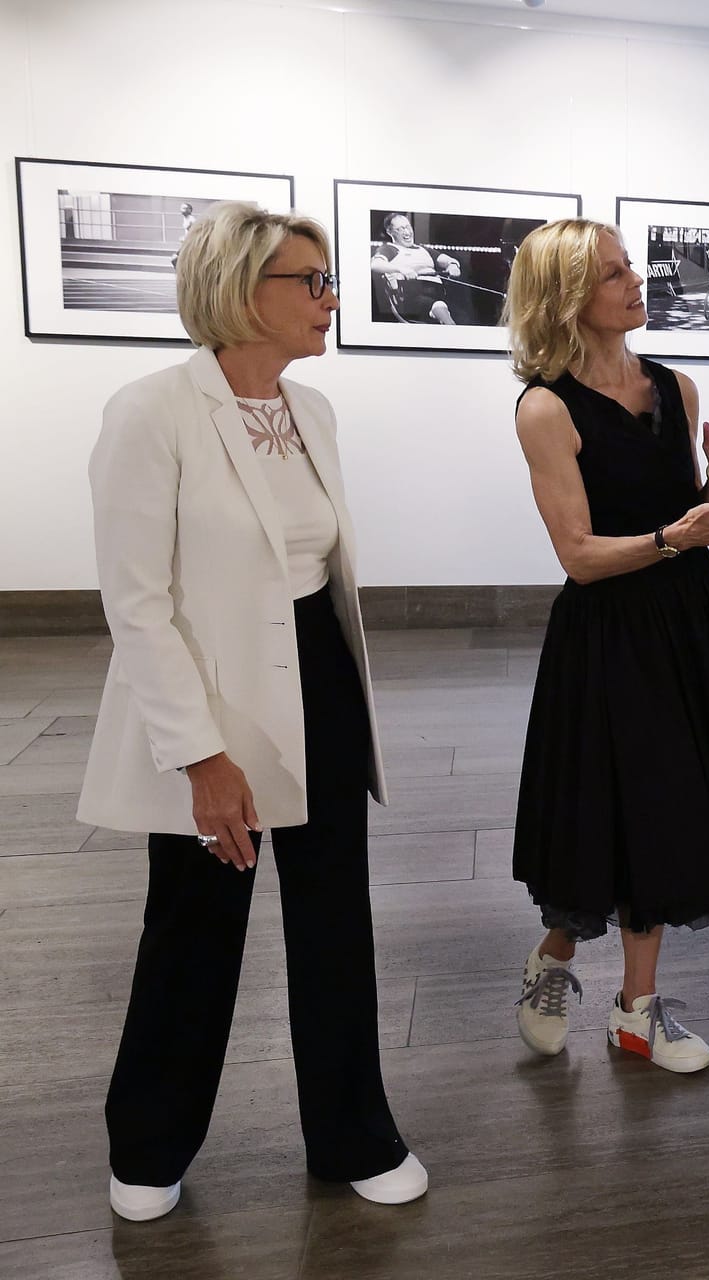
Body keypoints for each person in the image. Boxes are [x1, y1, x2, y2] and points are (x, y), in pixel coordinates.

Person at [78, 202, 425, 1222]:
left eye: (327, 279)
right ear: (241, 292)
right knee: (193, 924)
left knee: (334, 917)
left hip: (317, 677)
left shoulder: (312, 411)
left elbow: (317, 571)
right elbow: (137, 605)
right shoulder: (152, 412)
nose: (330, 299)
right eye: (310, 281)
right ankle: (147, 1141)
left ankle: (353, 1129)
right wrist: (200, 755)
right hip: (211, 699)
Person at [504, 218, 709, 1072]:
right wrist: (678, 537)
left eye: (630, 266)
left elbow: (685, 511)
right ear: (565, 298)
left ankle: (637, 1010)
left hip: (687, 625)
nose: (635, 282)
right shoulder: (546, 407)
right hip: (609, 633)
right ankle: (555, 955)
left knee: (670, 809)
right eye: (609, 275)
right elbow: (579, 557)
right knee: (605, 814)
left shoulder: (676, 388)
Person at [370, 211, 459, 324]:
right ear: (390, 232)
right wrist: (401, 270)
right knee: (440, 308)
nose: (406, 232)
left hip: (438, 294)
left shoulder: (423, 249)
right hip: (410, 298)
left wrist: (453, 266)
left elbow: (447, 260)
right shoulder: (389, 249)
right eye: (400, 229)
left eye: (408, 227)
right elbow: (375, 264)